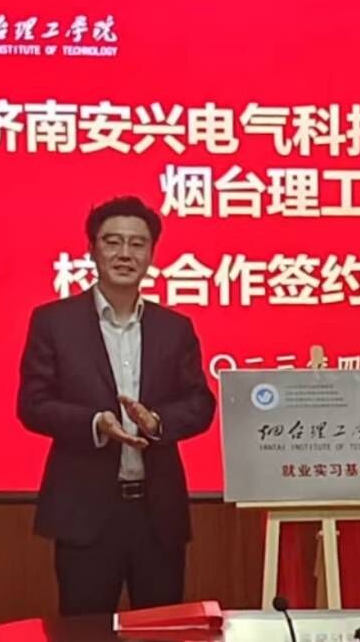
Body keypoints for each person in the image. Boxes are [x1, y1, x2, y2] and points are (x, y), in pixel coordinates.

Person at [18, 196, 215, 616]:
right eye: (112, 242)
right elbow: (33, 403)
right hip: (85, 513)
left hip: (157, 514)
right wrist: (95, 423)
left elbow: (200, 403)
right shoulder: (54, 322)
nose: (125, 253)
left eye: (137, 243)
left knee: (163, 639)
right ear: (91, 249)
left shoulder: (174, 328)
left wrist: (157, 421)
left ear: (151, 254)